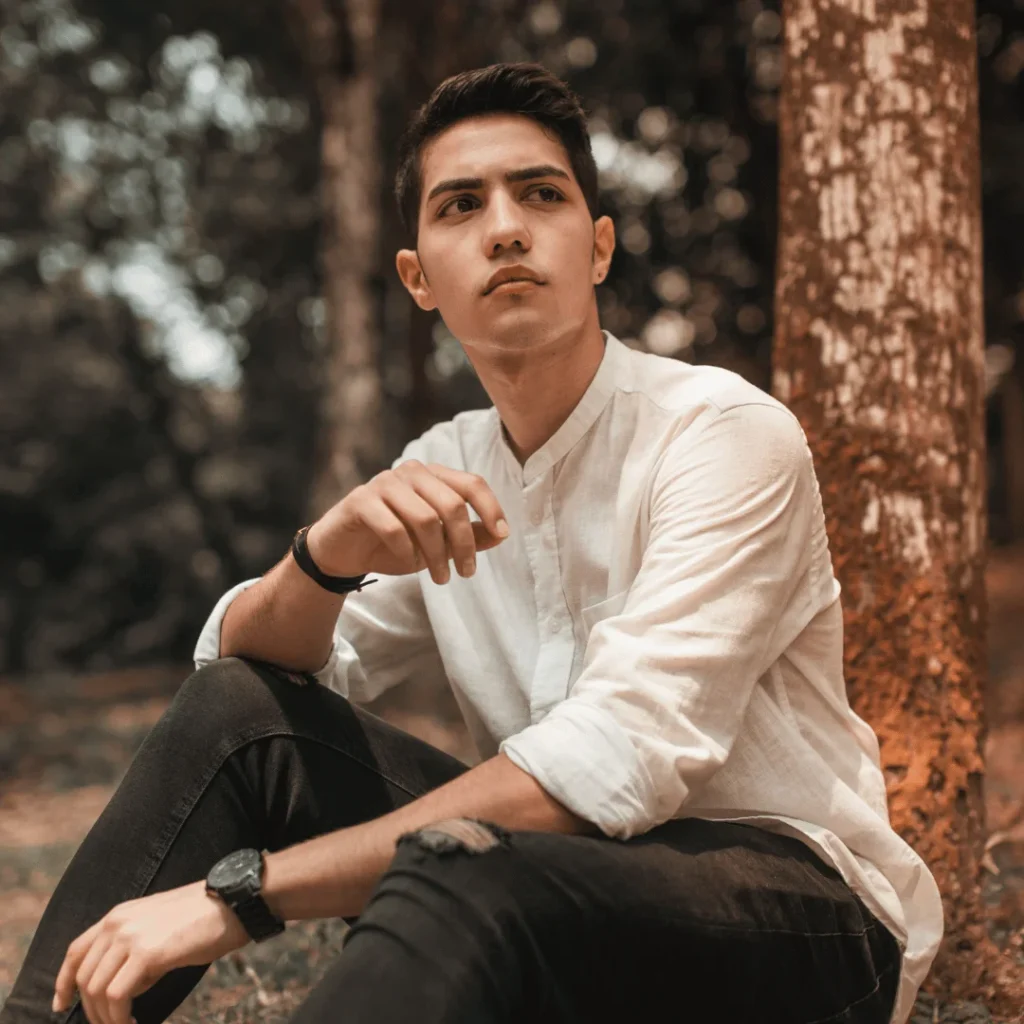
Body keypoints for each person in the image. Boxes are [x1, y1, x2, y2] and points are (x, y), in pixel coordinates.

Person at [1, 62, 943, 1024]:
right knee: (243, 717)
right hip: (551, 889)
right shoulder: (444, 465)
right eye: (461, 205)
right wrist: (324, 557)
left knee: (460, 861)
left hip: (800, 919)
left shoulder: (720, 432)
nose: (505, 229)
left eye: (541, 195)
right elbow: (243, 675)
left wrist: (244, 894)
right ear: (419, 278)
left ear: (599, 248)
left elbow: (615, 757)